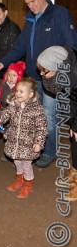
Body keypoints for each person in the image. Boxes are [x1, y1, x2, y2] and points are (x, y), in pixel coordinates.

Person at [0, 0, 77, 168]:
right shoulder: (30, 19)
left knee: (48, 115)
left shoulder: (60, 14)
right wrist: (3, 62)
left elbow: (71, 46)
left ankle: (50, 151)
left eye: (33, 1)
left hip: (50, 77)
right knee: (27, 115)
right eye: (28, 3)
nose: (31, 6)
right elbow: (20, 47)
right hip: (32, 78)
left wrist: (58, 69)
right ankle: (26, 148)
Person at [0, 77, 47, 198]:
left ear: (30, 94)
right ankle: (19, 179)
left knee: (26, 164)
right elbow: (3, 116)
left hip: (28, 143)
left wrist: (38, 142)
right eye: (17, 90)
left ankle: (28, 183)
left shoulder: (37, 110)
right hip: (14, 141)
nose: (18, 93)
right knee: (16, 161)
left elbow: (42, 128)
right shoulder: (13, 105)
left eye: (22, 91)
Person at [37, 46, 77, 201]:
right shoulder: (62, 64)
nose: (41, 74)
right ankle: (74, 173)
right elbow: (69, 99)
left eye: (44, 71)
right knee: (73, 139)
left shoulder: (73, 75)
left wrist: (75, 125)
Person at [0, 2, 21, 155]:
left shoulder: (14, 29)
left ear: (6, 13)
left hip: (9, 71)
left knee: (11, 106)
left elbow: (17, 52)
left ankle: (12, 142)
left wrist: (8, 70)